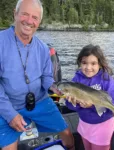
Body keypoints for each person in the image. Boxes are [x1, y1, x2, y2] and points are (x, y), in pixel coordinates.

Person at [0, 0, 74, 150]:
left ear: (39, 22)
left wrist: (54, 88)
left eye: (34, 17)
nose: (29, 21)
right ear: (15, 14)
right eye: (25, 14)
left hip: (40, 101)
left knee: (68, 135)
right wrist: (10, 114)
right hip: (7, 105)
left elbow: (47, 77)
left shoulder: (42, 48)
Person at [65, 44, 114, 150]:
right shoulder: (76, 80)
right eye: (84, 63)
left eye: (93, 63)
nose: (88, 67)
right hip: (85, 124)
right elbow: (70, 106)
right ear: (80, 63)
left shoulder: (107, 81)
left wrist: (91, 105)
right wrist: (74, 103)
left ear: (100, 64)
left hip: (103, 127)